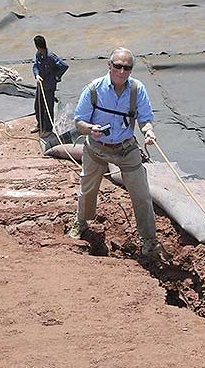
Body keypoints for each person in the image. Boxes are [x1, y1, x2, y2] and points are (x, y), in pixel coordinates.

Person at [69, 47, 160, 257]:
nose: (121, 71)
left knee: (142, 194)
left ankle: (148, 238)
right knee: (87, 190)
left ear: (131, 70)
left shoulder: (137, 89)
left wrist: (148, 131)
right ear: (109, 66)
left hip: (126, 148)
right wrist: (90, 129)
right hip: (96, 148)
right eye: (117, 66)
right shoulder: (93, 89)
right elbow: (79, 121)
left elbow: (145, 118)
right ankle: (81, 223)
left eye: (126, 67)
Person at [31, 35, 69, 137]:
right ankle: (40, 125)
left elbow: (64, 66)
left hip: (49, 86)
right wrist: (37, 75)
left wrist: (56, 77)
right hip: (41, 84)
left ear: (38, 46)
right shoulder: (39, 54)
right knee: (38, 105)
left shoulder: (51, 57)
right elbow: (35, 65)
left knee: (48, 107)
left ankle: (48, 129)